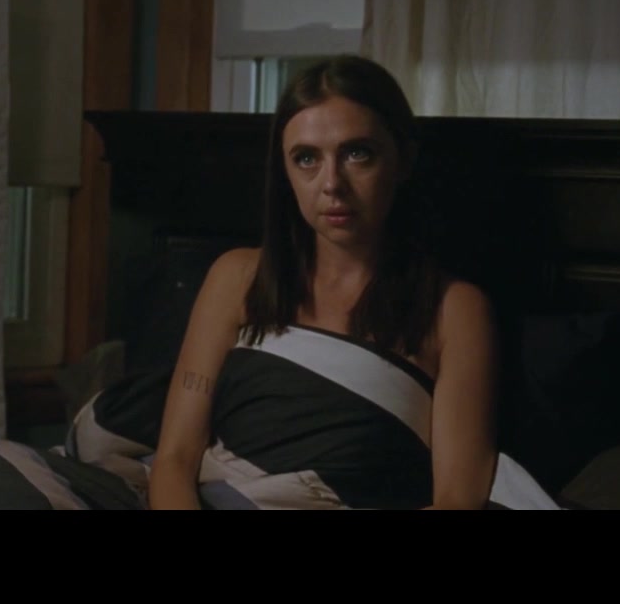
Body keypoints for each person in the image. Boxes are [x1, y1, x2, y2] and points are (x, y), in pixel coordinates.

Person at [146, 54, 504, 510]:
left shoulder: (454, 310)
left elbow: (457, 499)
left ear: (403, 159)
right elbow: (174, 459)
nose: (332, 183)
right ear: (285, 172)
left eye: (357, 154)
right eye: (306, 159)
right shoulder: (237, 276)